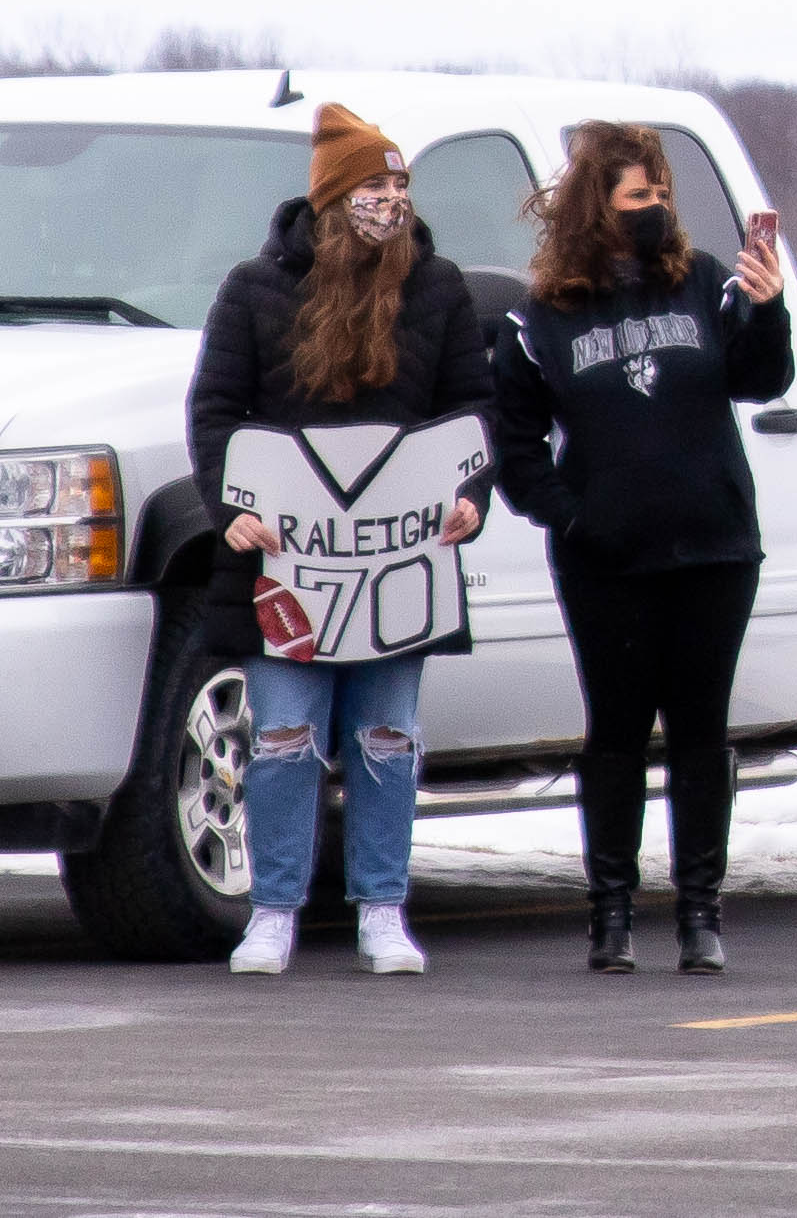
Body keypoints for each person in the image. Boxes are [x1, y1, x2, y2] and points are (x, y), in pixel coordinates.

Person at [187, 102, 495, 978]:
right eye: (372, 185)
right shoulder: (254, 288)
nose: (389, 201)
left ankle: (382, 908)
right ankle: (274, 910)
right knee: (284, 734)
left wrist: (470, 495)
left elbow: (473, 408)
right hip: (288, 564)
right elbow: (215, 411)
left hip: (401, 564)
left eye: (399, 185)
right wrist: (229, 507)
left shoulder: (438, 286)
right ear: (330, 198)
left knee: (387, 736)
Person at [489, 123, 794, 975]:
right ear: (598, 207)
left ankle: (701, 913)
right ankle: (611, 915)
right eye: (637, 196)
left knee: (702, 734)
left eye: (661, 193)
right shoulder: (543, 316)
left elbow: (761, 378)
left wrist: (764, 309)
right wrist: (573, 516)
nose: (655, 207)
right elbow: (513, 447)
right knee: (616, 734)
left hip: (714, 549)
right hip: (607, 562)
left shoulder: (701, 283)